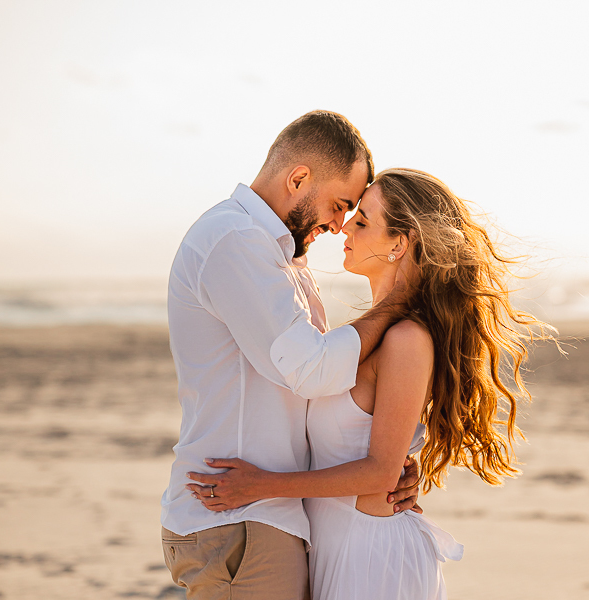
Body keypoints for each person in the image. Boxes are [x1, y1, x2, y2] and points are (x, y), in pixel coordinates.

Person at [187, 168, 552, 599]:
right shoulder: (367, 337)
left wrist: (261, 485)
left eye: (362, 222)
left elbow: (380, 471)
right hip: (336, 550)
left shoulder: (407, 340)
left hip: (372, 559)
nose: (345, 228)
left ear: (399, 243)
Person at [161, 112, 421, 600]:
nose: (340, 224)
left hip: (267, 518)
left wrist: (388, 460)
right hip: (238, 519)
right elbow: (311, 369)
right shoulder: (234, 241)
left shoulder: (279, 255)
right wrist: (396, 304)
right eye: (341, 204)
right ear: (298, 177)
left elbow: (319, 397)